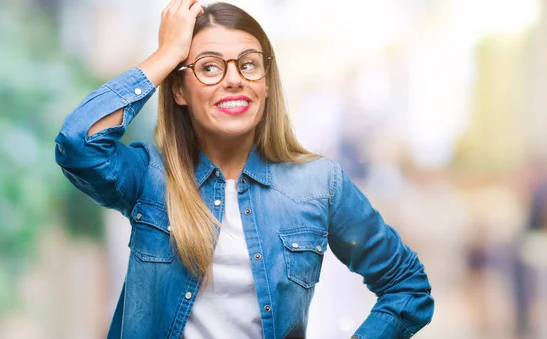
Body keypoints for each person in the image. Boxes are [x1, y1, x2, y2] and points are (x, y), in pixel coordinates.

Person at [54, 1, 434, 338]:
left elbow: (407, 287)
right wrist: (166, 55)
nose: (234, 78)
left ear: (266, 84)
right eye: (209, 67)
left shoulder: (319, 184)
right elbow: (77, 144)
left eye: (248, 64)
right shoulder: (151, 177)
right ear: (180, 90)